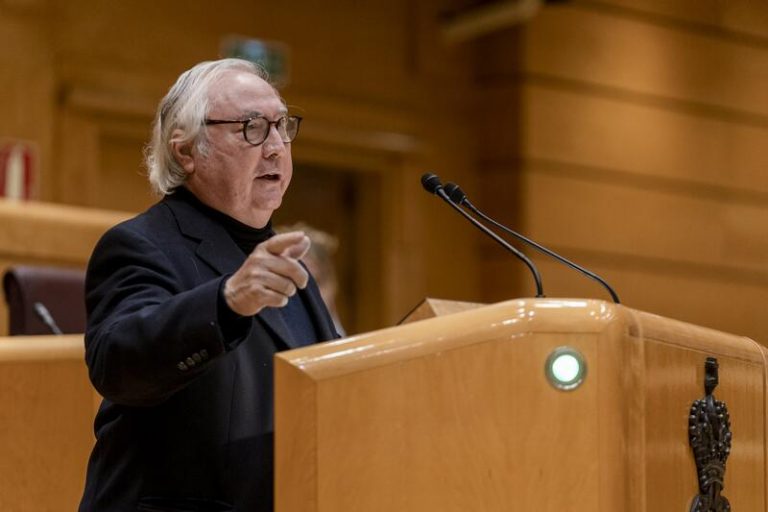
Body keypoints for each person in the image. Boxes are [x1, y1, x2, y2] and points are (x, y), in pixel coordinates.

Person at [78, 58, 339, 512]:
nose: (276, 146)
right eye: (251, 128)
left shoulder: (289, 263)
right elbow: (118, 364)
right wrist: (226, 302)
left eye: (281, 126)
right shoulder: (140, 245)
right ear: (186, 151)